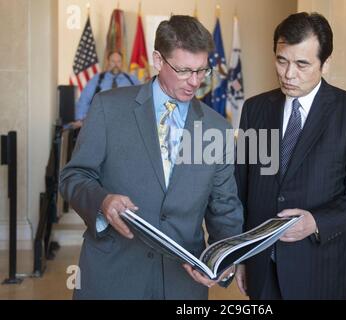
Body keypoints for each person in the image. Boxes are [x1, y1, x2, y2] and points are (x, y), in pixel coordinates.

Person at [59, 15, 243, 300]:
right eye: (183, 70)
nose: (194, 82)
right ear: (158, 60)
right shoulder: (109, 108)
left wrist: (224, 260)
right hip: (113, 274)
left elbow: (224, 207)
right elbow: (74, 177)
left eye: (201, 71)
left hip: (182, 282)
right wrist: (102, 202)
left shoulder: (217, 127)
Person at [234, 12, 346, 300]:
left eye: (302, 64)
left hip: (324, 268)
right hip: (263, 267)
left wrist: (316, 222)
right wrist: (241, 255)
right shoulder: (255, 109)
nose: (289, 74)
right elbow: (241, 187)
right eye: (282, 60)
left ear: (326, 64)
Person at [72, 51, 141, 128]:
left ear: (122, 63)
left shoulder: (132, 80)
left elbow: (141, 99)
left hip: (126, 122)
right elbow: (84, 99)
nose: (116, 64)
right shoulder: (97, 79)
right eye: (113, 61)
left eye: (118, 61)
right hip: (101, 122)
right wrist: (80, 119)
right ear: (108, 62)